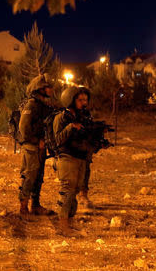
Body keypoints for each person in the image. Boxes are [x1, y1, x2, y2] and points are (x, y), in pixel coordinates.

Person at [53, 86, 92, 236]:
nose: (84, 102)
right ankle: (63, 227)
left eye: (86, 100)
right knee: (67, 191)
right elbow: (58, 140)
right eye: (80, 99)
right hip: (67, 158)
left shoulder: (82, 116)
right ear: (71, 100)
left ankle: (69, 223)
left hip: (80, 157)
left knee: (74, 191)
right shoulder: (62, 117)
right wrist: (70, 127)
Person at [18, 74, 54, 216]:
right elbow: (23, 128)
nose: (51, 89)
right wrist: (35, 141)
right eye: (48, 87)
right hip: (32, 147)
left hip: (39, 146)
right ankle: (23, 207)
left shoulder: (42, 105)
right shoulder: (32, 105)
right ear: (40, 89)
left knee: (39, 177)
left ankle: (35, 205)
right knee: (30, 176)